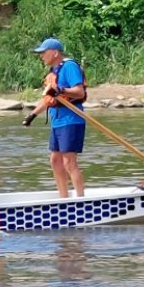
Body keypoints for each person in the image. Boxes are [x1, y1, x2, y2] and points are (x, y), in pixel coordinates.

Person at [35, 38, 87, 198]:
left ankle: (80, 199)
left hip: (72, 120)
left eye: (44, 52)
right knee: (55, 161)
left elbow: (79, 92)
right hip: (57, 121)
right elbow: (49, 100)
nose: (41, 56)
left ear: (55, 52)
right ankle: (63, 198)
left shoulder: (69, 66)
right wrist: (32, 115)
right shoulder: (53, 72)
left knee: (69, 162)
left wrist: (61, 90)